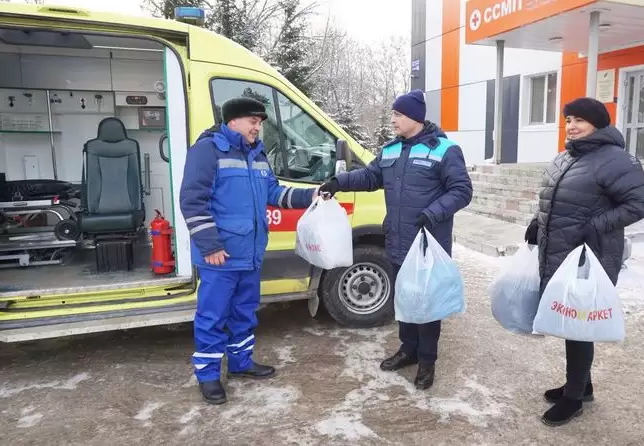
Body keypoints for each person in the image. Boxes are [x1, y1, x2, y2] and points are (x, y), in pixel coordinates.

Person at [319, 89, 473, 390]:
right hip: (398, 240)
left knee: (427, 304)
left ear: (415, 117)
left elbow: (462, 191)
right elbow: (370, 177)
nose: (393, 120)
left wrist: (433, 213)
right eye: (393, 114)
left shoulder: (444, 149)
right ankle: (408, 350)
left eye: (398, 114)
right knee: (404, 297)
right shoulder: (390, 150)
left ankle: (427, 361)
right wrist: (338, 182)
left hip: (428, 242)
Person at [180, 97, 319, 405]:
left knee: (245, 311)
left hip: (251, 252)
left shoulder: (257, 154)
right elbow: (192, 200)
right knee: (213, 315)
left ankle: (241, 363)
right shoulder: (208, 150)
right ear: (233, 122)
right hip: (221, 255)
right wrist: (210, 245)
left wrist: (312, 195)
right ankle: (208, 375)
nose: (258, 127)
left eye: (259, 122)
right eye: (253, 121)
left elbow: (273, 192)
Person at [524, 97, 644, 426]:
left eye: (580, 120)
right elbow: (559, 199)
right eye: (568, 120)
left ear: (598, 123)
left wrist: (594, 225)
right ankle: (583, 385)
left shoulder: (614, 160)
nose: (572, 126)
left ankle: (574, 398)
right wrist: (538, 222)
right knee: (573, 321)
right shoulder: (566, 157)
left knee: (578, 324)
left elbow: (639, 204)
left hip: (589, 255)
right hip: (562, 251)